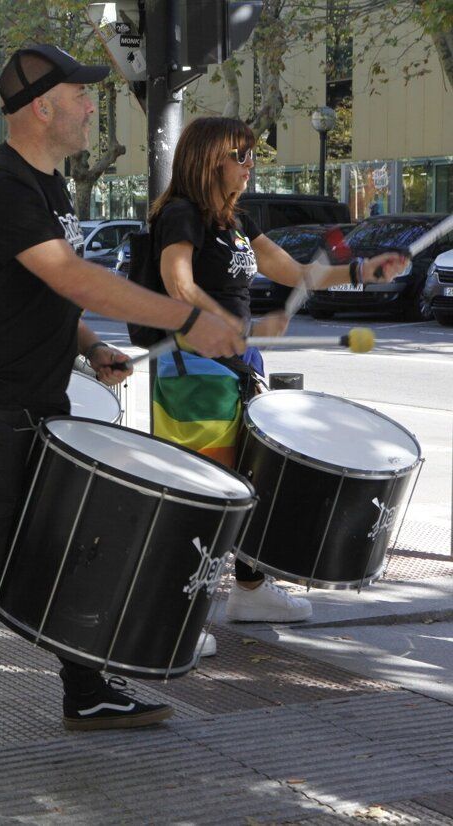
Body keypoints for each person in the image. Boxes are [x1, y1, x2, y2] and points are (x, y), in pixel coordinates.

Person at [0, 44, 248, 788]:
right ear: (41, 108)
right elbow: (72, 276)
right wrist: (185, 320)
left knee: (69, 545)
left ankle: (85, 694)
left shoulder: (45, 188)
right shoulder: (0, 188)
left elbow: (38, 294)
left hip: (37, 400)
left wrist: (88, 349)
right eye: (82, 97)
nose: (95, 106)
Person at [148, 116, 408, 635]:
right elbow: (177, 286)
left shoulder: (235, 221)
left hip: (238, 365)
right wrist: (234, 325)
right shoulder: (181, 215)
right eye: (240, 157)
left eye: (251, 157)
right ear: (209, 159)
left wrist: (361, 272)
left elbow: (293, 272)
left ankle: (248, 591)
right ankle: (173, 618)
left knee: (250, 478)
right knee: (201, 490)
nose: (249, 167)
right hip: (194, 368)